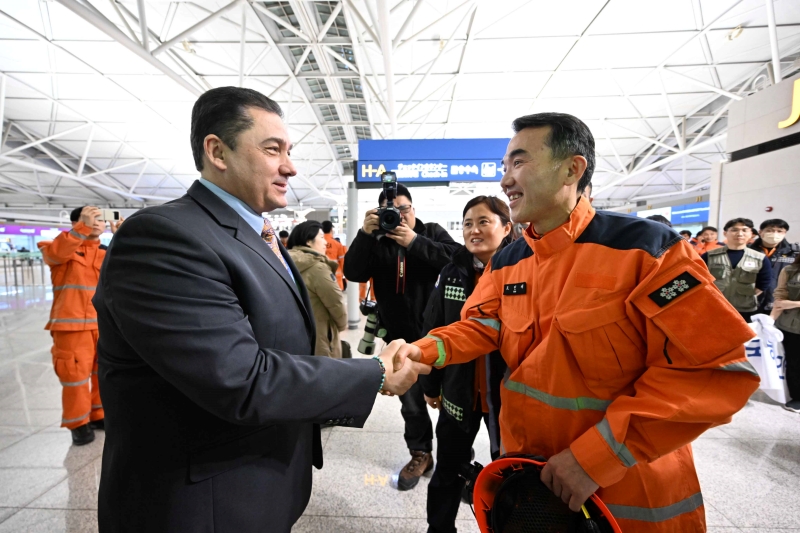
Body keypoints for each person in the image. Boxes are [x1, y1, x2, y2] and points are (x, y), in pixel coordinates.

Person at [387, 112, 760, 532]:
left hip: (628, 496)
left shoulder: (645, 251)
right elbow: (482, 324)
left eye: (519, 162)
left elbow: (719, 368)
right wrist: (422, 351)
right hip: (531, 487)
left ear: (572, 168)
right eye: (505, 166)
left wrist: (597, 457)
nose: (505, 179)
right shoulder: (510, 261)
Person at [92, 87, 429, 533]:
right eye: (273, 150)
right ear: (217, 151)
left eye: (289, 151)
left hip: (258, 484)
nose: (290, 166)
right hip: (201, 505)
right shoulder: (164, 237)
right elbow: (240, 378)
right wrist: (375, 373)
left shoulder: (258, 236)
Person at [344, 182, 460, 491]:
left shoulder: (432, 232)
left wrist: (414, 241)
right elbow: (353, 273)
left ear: (413, 209)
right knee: (411, 405)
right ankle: (420, 454)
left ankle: (457, 460)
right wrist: (365, 234)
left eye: (403, 210)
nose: (399, 216)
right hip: (400, 342)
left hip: (443, 338)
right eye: (390, 212)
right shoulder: (376, 241)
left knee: (453, 402)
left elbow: (456, 262)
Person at [421, 195, 511, 533]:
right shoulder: (452, 272)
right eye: (468, 223)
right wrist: (431, 385)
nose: (473, 230)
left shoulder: (525, 270)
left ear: (507, 227)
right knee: (448, 468)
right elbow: (434, 328)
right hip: (459, 395)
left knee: (511, 472)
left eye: (483, 222)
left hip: (508, 399)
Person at [38, 206, 122, 445]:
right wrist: (81, 228)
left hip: (104, 326)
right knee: (74, 377)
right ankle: (78, 423)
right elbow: (57, 254)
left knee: (102, 374)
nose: (98, 223)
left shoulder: (108, 252)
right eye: (91, 218)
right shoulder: (58, 247)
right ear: (77, 221)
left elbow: (130, 268)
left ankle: (98, 415)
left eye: (101, 219)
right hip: (71, 328)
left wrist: (121, 237)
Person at [287, 220, 347, 358]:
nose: (325, 242)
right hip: (320, 335)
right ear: (309, 241)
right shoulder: (318, 268)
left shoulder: (284, 262)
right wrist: (342, 325)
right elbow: (335, 302)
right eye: (321, 237)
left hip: (294, 334)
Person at [702, 218, 773, 323]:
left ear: (751, 234)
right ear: (725, 233)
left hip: (745, 309)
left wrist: (744, 296)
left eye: (744, 230)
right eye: (734, 230)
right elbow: (700, 278)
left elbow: (764, 283)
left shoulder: (759, 258)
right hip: (714, 306)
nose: (740, 234)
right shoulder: (710, 255)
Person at [750, 219, 800, 314]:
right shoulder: (748, 251)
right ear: (760, 232)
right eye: (769, 230)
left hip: (781, 306)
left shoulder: (794, 253)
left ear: (785, 233)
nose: (774, 234)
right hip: (750, 303)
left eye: (779, 231)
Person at [771, 254, 800, 413]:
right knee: (794, 362)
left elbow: (786, 302)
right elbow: (780, 296)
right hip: (790, 325)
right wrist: (770, 320)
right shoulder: (790, 270)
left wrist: (794, 303)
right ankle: (797, 397)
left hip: (791, 313)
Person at [322, 220, 347, 290]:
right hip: (336, 276)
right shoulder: (337, 244)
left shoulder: (316, 243)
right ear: (331, 229)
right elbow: (342, 262)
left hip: (321, 275)